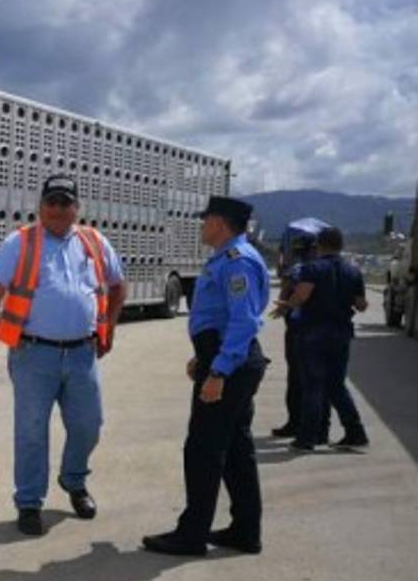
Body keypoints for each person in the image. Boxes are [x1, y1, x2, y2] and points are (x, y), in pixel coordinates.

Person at [0, 174, 126, 536]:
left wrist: (110, 329)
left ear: (77, 208)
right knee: (31, 432)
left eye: (65, 202)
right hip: (32, 354)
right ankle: (29, 503)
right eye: (52, 202)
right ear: (41, 206)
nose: (58, 209)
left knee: (89, 427)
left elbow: (118, 286)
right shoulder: (20, 242)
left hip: (82, 354)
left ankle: (73, 480)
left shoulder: (94, 241)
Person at [143, 195, 270, 556]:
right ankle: (245, 530)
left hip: (231, 363)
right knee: (235, 449)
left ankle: (191, 535)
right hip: (225, 357)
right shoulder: (229, 258)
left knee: (203, 449)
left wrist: (219, 369)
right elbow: (224, 319)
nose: (202, 226)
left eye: (205, 220)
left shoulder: (237, 261)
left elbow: (244, 320)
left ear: (219, 223)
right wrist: (204, 358)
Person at [278, 226, 369, 451]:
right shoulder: (353, 271)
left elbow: (302, 295)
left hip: (313, 333)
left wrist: (286, 306)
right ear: (341, 246)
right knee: (337, 386)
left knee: (312, 385)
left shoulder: (312, 269)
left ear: (319, 245)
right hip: (341, 333)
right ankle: (355, 432)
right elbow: (361, 305)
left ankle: (308, 438)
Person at [269, 236, 329, 442]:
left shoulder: (296, 272)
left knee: (297, 379)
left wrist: (284, 305)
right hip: (324, 330)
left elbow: (285, 297)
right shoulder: (327, 270)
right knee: (320, 381)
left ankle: (296, 424)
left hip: (299, 331)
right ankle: (320, 429)